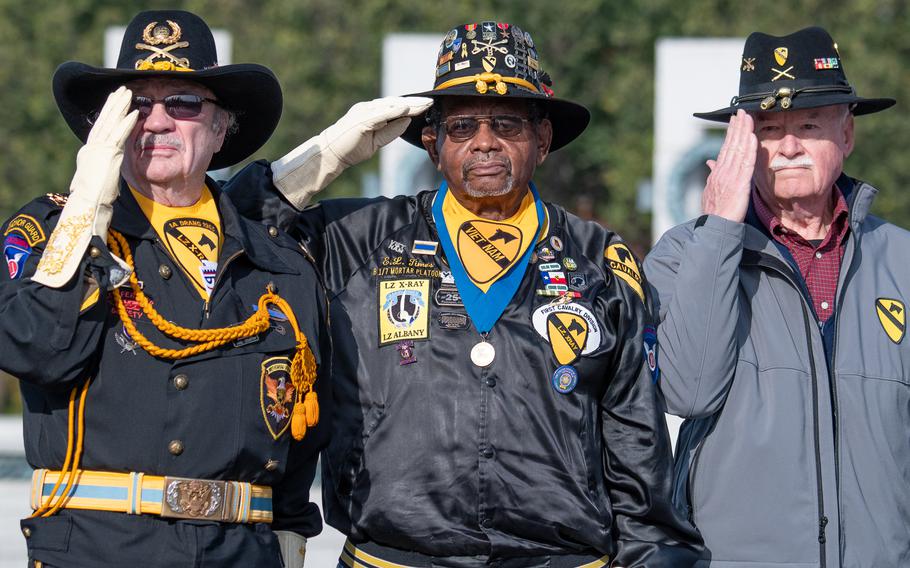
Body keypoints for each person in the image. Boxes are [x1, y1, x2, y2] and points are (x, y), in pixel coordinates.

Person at [228, 20, 704, 567]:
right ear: (432, 144)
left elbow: (636, 440)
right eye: (460, 128)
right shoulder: (356, 239)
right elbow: (233, 228)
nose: (484, 142)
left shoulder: (600, 260)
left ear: (542, 140)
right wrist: (327, 155)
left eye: (507, 124)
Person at [1, 10, 331, 567]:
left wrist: (292, 537)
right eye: (134, 105)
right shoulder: (51, 233)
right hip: (97, 548)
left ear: (222, 127)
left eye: (182, 103)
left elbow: (299, 430)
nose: (155, 122)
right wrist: (89, 208)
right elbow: (34, 348)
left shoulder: (279, 261)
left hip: (242, 552)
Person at [644, 26, 907, 567]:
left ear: (847, 134)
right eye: (768, 130)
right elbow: (687, 390)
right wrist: (719, 225)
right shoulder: (682, 254)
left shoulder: (901, 258)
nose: (788, 147)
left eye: (809, 125)